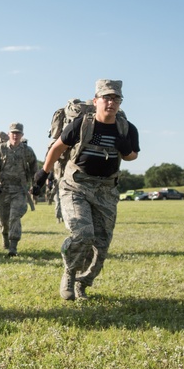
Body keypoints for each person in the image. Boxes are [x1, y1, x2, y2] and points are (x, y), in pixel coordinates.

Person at [37, 80, 139, 300]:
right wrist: (43, 173)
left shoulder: (126, 128)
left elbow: (132, 156)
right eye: (106, 98)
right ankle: (70, 273)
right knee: (83, 234)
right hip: (76, 186)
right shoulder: (82, 124)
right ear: (96, 101)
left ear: (120, 103)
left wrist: (124, 147)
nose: (111, 102)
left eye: (115, 99)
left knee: (101, 246)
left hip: (106, 191)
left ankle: (83, 283)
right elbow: (57, 148)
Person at [0, 122, 38, 256]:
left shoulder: (27, 151)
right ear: (9, 134)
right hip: (3, 189)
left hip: (19, 190)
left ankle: (13, 248)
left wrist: (36, 184)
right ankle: (5, 238)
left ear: (22, 135)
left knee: (14, 217)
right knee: (4, 219)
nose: (15, 135)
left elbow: (34, 169)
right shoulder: (0, 149)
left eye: (18, 133)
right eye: (13, 133)